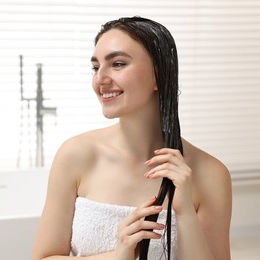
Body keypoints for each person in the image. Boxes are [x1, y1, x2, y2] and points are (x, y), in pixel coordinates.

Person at [31, 16, 232, 260]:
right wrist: (118, 256)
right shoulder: (76, 155)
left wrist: (185, 213)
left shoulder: (210, 174)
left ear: (159, 74)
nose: (100, 79)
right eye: (96, 68)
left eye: (117, 64)